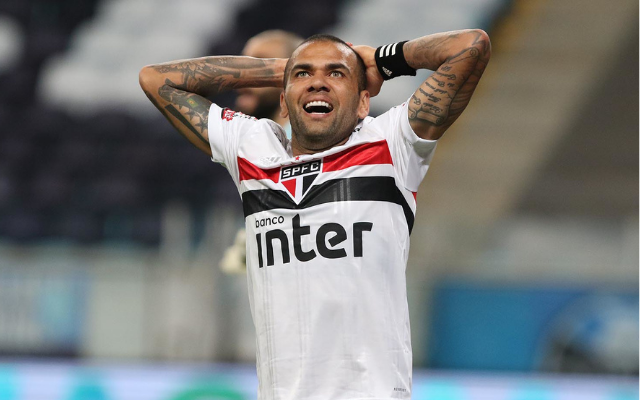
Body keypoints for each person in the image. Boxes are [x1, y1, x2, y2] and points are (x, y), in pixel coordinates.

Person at [140, 29, 490, 399]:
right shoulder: (252, 149)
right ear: (284, 101)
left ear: (363, 103)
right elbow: (156, 79)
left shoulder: (390, 144)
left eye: (336, 73)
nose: (318, 82)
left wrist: (381, 60)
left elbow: (471, 46)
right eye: (304, 74)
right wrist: (284, 68)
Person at [220, 30, 304, 275]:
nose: (244, 75)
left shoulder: (312, 141)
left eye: (259, 65)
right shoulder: (253, 140)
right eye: (243, 64)